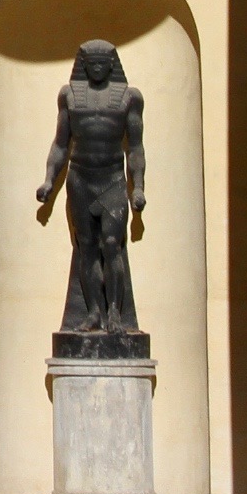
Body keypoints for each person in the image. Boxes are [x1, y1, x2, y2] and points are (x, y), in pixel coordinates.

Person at [36, 39, 146, 336]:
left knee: (112, 245)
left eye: (102, 63)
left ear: (112, 65)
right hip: (80, 177)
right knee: (86, 247)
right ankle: (94, 312)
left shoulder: (129, 98)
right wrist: (49, 179)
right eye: (91, 63)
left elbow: (135, 148)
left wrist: (138, 188)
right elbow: (61, 144)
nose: (97, 68)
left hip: (112, 178)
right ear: (84, 65)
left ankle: (115, 312)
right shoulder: (70, 96)